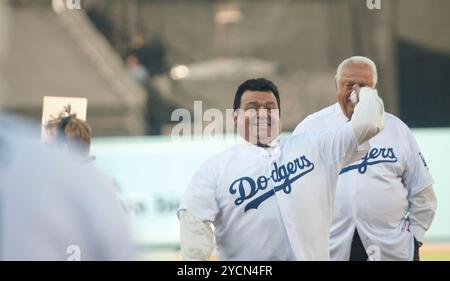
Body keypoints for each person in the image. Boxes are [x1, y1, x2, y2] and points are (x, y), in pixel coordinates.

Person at [178, 77, 385, 260]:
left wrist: (364, 93)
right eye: (252, 107)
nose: (262, 113)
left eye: (270, 108)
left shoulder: (315, 147)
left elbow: (370, 122)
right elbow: (193, 216)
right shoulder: (216, 168)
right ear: (235, 118)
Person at [293, 56, 437, 261]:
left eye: (363, 86)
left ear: (375, 88)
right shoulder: (311, 128)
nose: (355, 92)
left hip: (391, 249)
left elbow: (423, 191)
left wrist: (415, 237)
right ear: (336, 86)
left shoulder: (397, 130)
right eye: (348, 84)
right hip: (329, 248)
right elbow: (293, 190)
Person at [0, 112, 134, 260]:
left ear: (62, 146)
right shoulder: (104, 184)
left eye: (50, 143)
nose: (46, 148)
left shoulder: (51, 188)